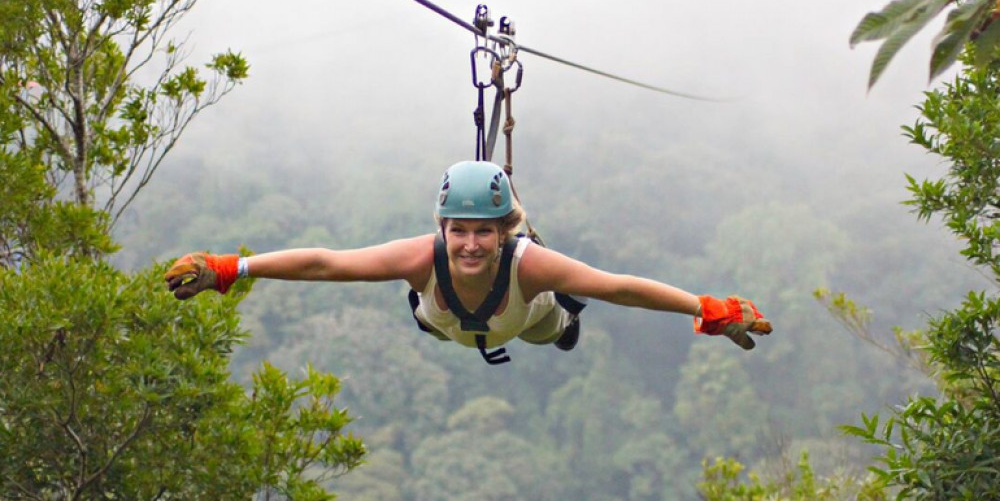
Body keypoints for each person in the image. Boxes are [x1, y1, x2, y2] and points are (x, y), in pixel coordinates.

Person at [165, 161, 772, 364]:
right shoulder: (419, 257)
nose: (472, 245)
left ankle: (563, 324)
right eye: (460, 232)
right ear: (443, 228)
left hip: (528, 318)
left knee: (554, 327)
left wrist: (706, 310)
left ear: (504, 231)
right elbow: (327, 263)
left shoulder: (526, 263)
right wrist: (231, 269)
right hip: (444, 319)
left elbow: (619, 288)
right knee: (435, 311)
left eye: (485, 232)